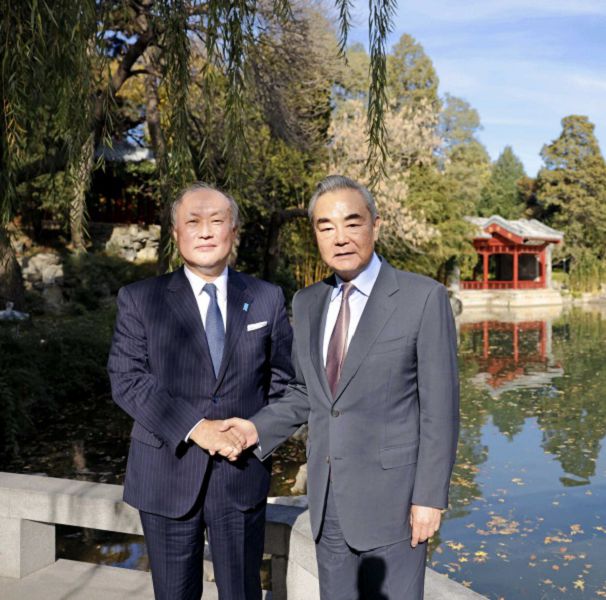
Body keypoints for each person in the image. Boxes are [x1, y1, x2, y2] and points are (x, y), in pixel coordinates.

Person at [222, 175, 460, 599]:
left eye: (352, 223)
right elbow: (304, 392)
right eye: (325, 226)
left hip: (395, 503)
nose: (340, 238)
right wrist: (254, 430)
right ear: (315, 233)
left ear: (376, 225)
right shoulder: (308, 302)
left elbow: (439, 409)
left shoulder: (423, 298)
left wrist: (429, 497)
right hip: (328, 501)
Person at [107, 182, 294, 600]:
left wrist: (256, 430)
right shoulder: (141, 299)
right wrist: (198, 428)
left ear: (234, 231)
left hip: (241, 472)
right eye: (193, 222)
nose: (205, 231)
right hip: (165, 473)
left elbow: (286, 383)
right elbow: (127, 379)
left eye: (217, 221)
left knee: (242, 593)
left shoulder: (265, 298)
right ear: (176, 235)